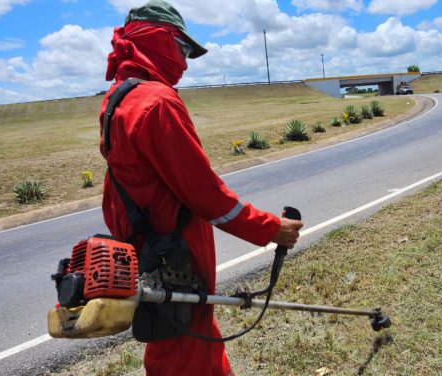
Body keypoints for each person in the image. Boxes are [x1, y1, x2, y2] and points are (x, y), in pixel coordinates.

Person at [99, 1, 303, 375]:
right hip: (175, 256)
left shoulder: (118, 100)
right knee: (183, 353)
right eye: (183, 48)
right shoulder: (157, 103)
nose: (187, 62)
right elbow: (206, 194)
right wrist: (271, 228)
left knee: (192, 336)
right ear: (158, 39)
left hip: (149, 249)